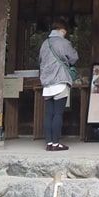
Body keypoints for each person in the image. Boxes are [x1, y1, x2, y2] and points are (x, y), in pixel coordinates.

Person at [39, 19, 78, 151]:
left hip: (47, 82)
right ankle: (56, 143)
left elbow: (40, 60)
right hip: (60, 81)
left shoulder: (45, 43)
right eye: (65, 32)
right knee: (58, 114)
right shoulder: (64, 42)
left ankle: (49, 143)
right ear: (62, 30)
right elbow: (73, 58)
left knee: (48, 114)